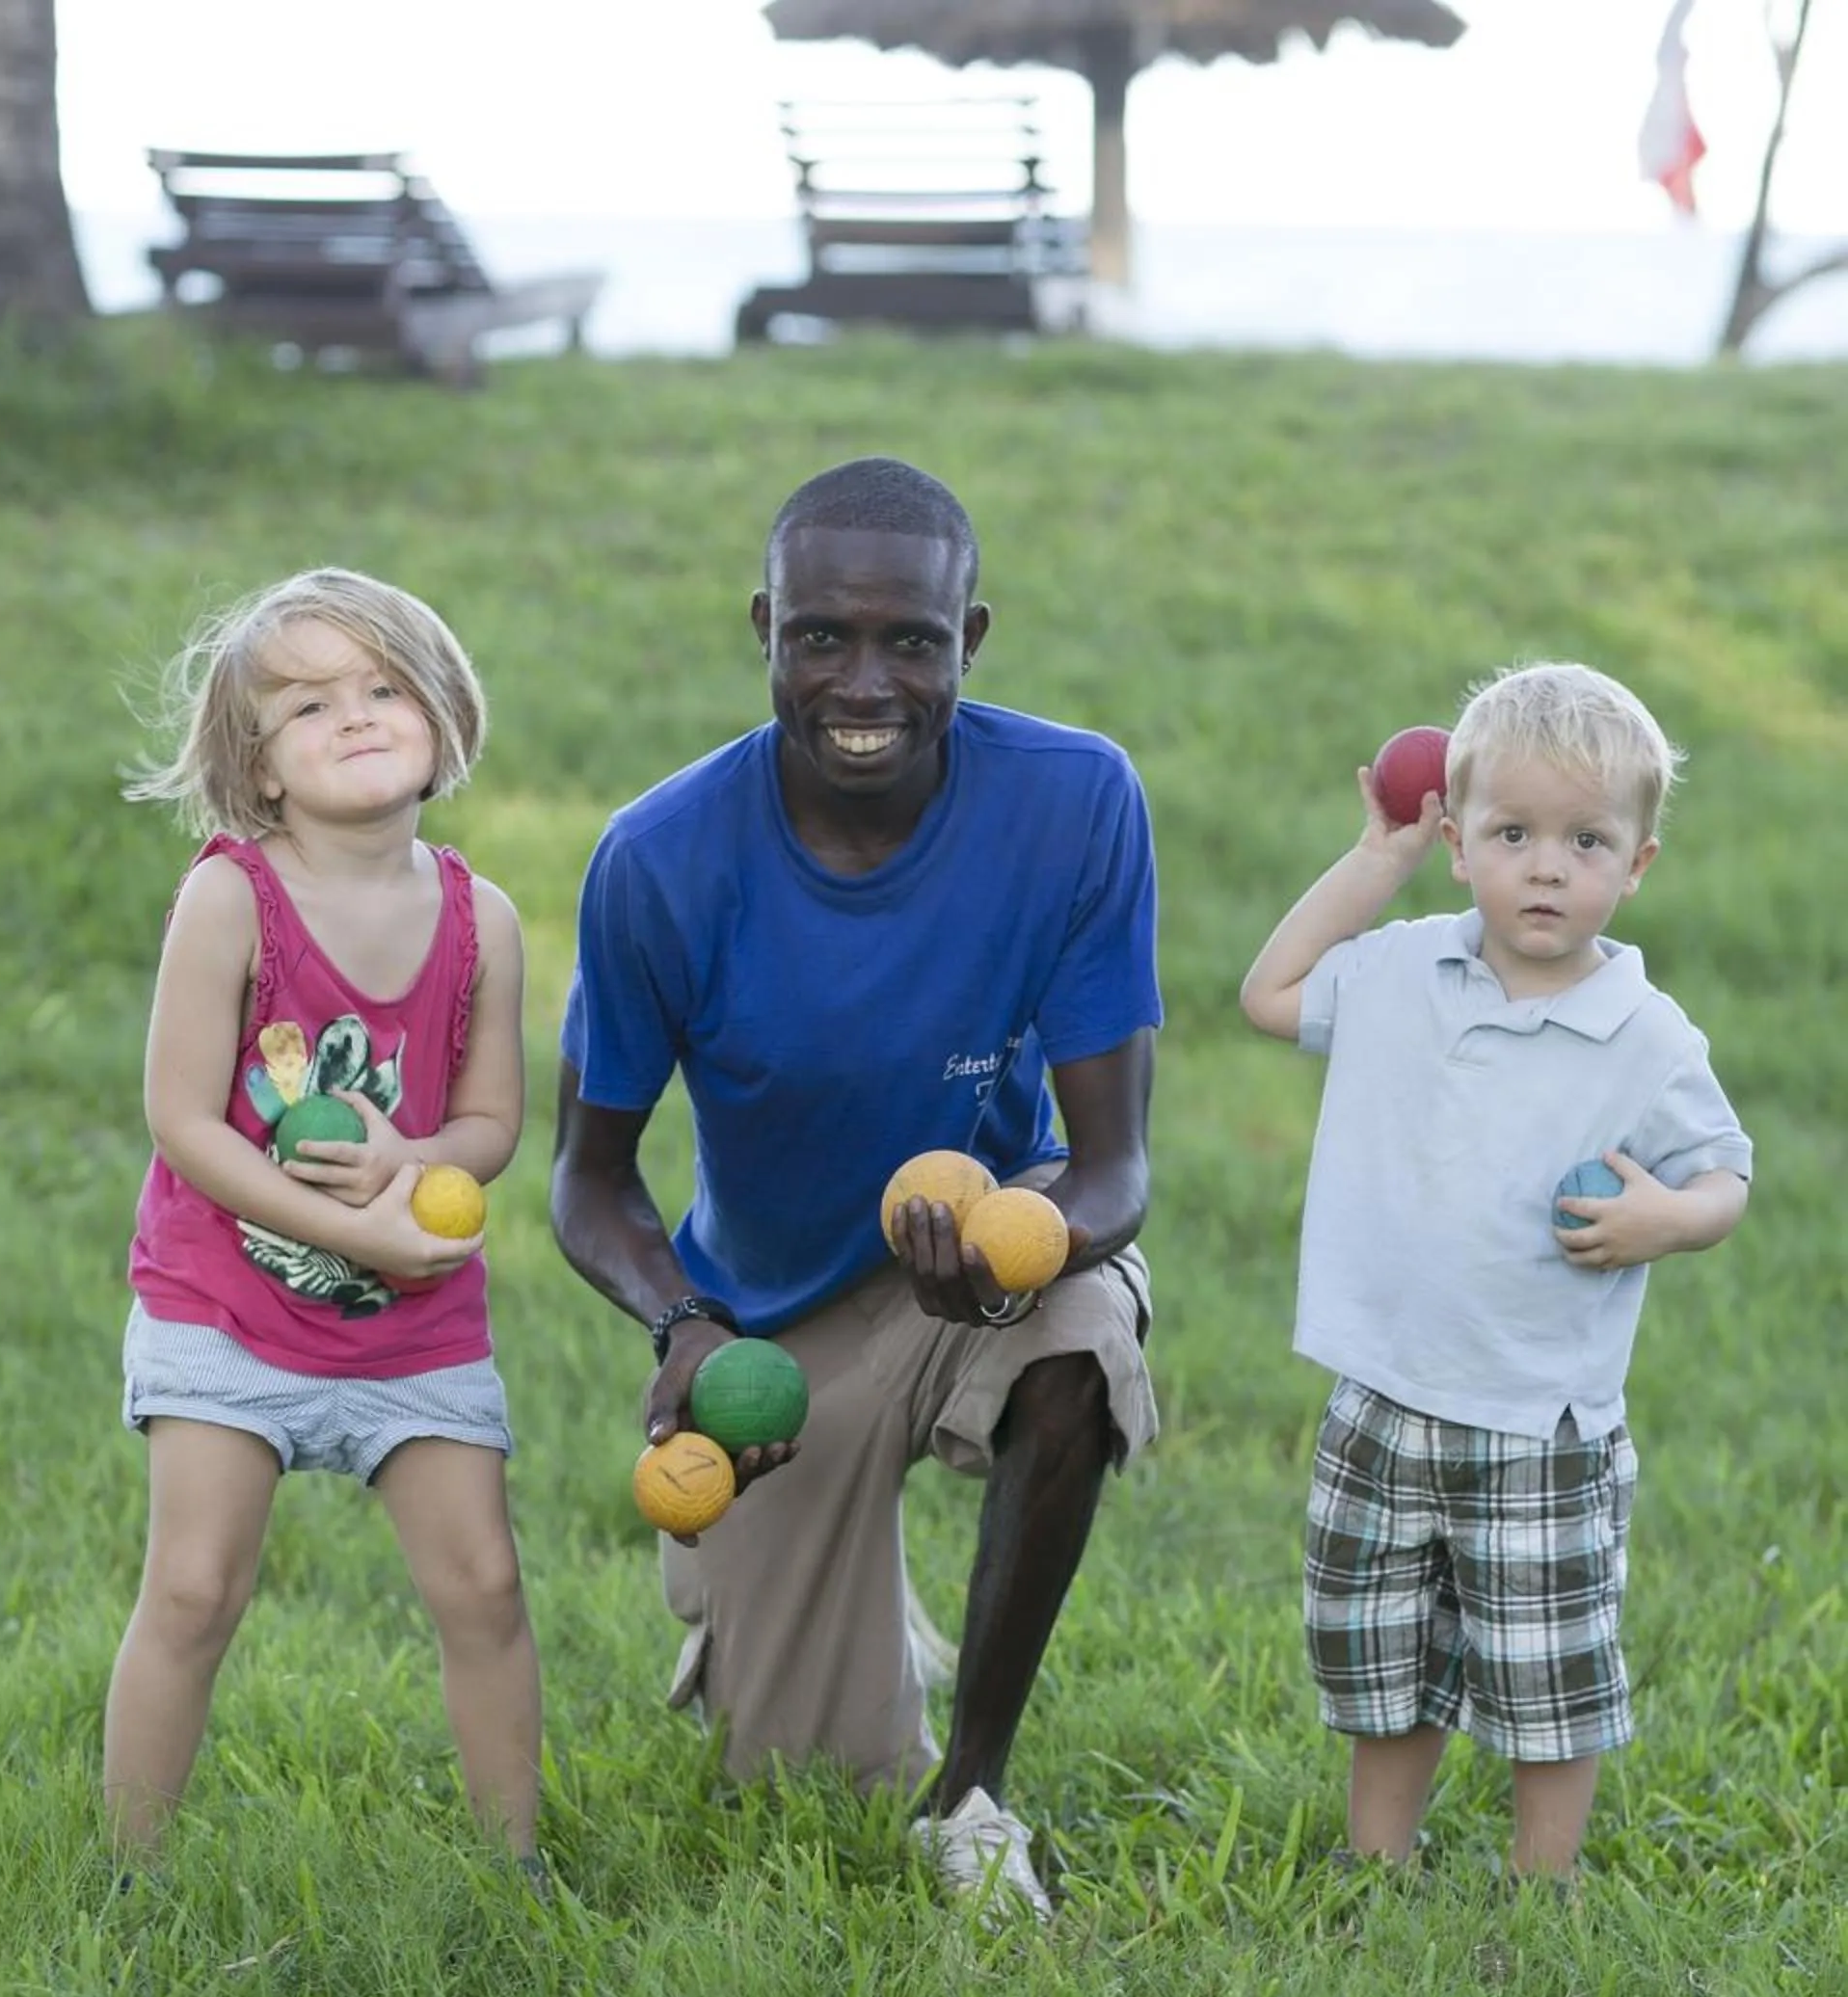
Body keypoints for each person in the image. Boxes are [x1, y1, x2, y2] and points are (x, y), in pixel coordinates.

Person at [551, 458, 1163, 1921]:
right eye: (822, 636)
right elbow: (587, 1182)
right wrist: (685, 1326)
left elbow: (1115, 1163)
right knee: (803, 1787)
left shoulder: (1076, 801)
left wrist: (1043, 1245)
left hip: (987, 1258)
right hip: (768, 1327)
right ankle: (798, 1611)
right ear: (764, 628)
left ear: (976, 639)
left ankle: (976, 1796)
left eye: (914, 642)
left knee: (1079, 1340)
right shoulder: (658, 857)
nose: (865, 679)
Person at [1240, 660, 1752, 1879]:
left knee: (1545, 1667)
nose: (1544, 865)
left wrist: (1660, 1223)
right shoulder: (1402, 971)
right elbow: (1268, 995)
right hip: (1382, 1392)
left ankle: (1543, 1877)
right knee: (1380, 1657)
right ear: (1459, 843)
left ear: (1634, 866)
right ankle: (1380, 1864)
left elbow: (1724, 1177)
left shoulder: (1645, 1033)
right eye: (1510, 833)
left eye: (1584, 840)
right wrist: (1377, 859)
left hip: (1538, 1415)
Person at [105, 567, 542, 1867]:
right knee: (194, 1589)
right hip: (223, 1308)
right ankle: (131, 1875)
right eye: (309, 705)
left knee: (485, 1588)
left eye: (385, 687)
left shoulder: (486, 922)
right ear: (262, 766)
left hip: (415, 1332)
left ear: (443, 712)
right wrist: (360, 1229)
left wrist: (414, 1156)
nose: (355, 716)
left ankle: (517, 1870)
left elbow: (490, 1127)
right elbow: (182, 1119)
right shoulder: (231, 897)